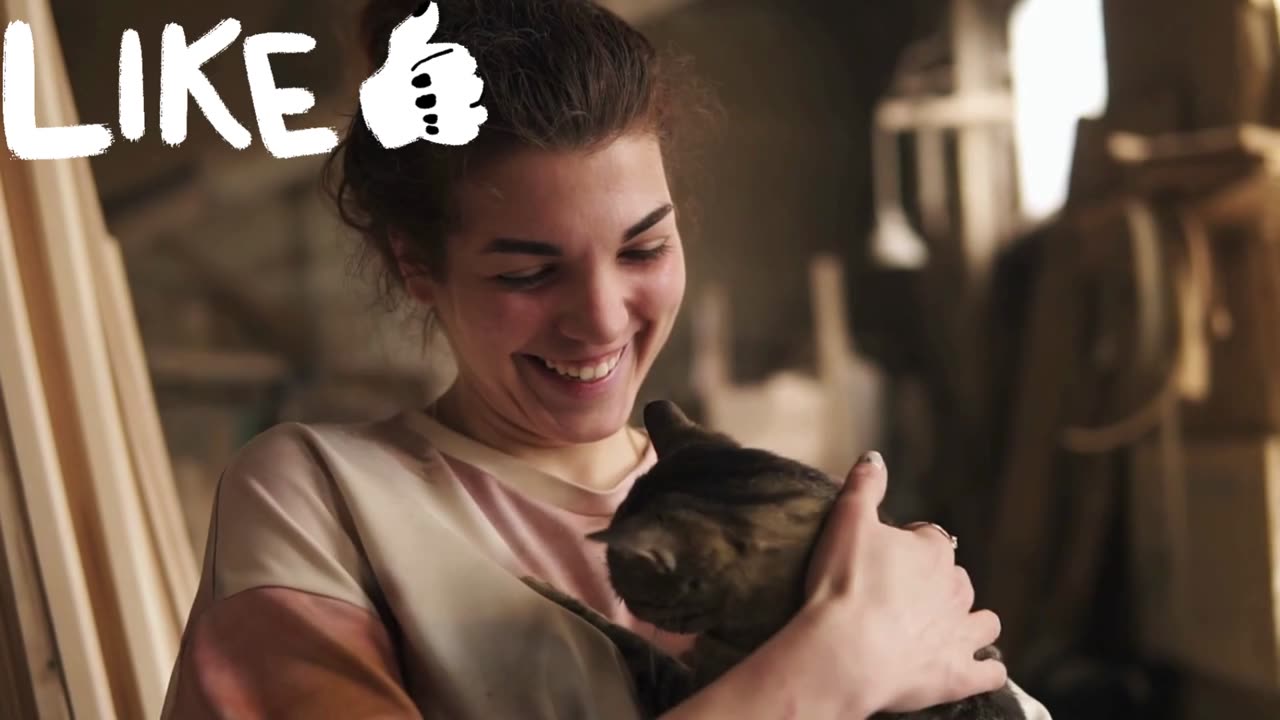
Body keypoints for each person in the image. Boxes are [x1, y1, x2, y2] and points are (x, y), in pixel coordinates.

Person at [160, 1, 1051, 718]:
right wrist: (829, 673)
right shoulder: (321, 497)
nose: (599, 320)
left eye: (642, 251)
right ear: (417, 264)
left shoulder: (734, 501)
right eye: (528, 271)